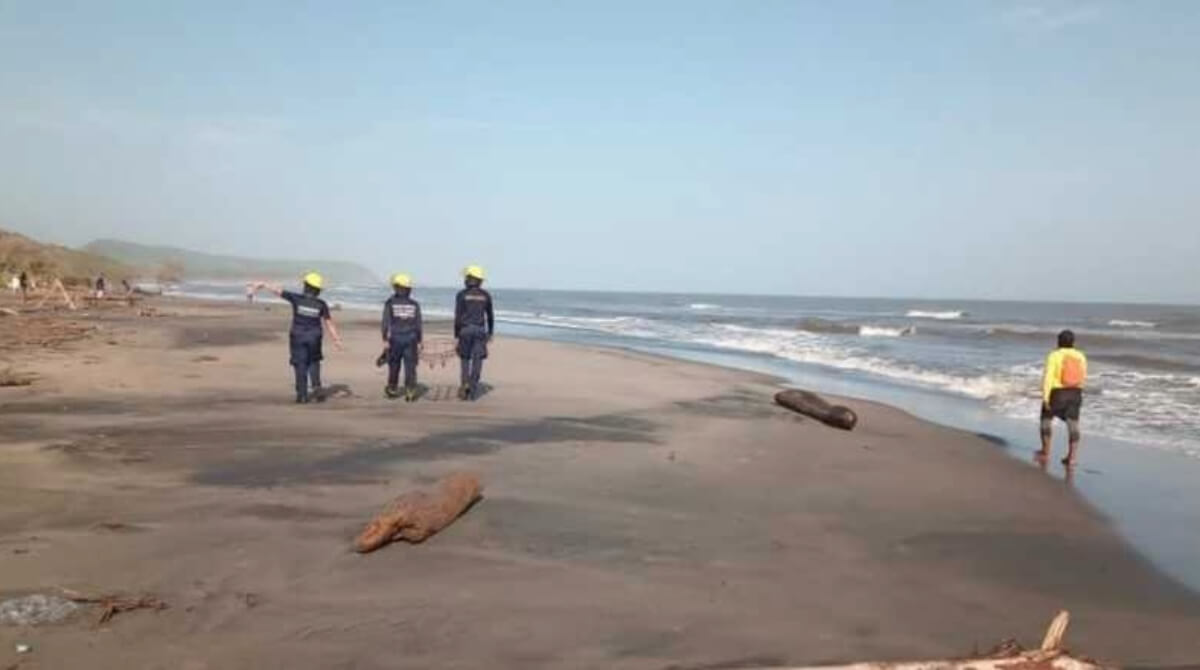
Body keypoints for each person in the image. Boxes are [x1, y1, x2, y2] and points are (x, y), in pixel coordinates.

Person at [251, 272, 344, 404]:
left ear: (305, 286)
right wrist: (336, 339)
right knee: (314, 361)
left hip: (298, 336)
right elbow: (329, 322)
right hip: (314, 337)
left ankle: (302, 395)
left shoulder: (297, 299)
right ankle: (317, 388)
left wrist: (264, 284)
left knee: (300, 364)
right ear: (318, 290)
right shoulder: (321, 304)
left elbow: (279, 291)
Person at [1037, 329, 1088, 466]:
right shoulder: (1080, 356)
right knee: (1073, 424)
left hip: (1057, 392)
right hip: (1075, 392)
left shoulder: (1054, 355)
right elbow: (1083, 376)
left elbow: (1048, 377)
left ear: (1059, 341)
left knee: (1046, 419)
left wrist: (1046, 397)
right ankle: (1072, 458)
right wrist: (1078, 391)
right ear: (1073, 342)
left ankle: (1045, 451)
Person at [454, 265, 494, 400]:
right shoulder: (485, 295)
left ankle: (465, 384)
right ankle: (473, 387)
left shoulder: (461, 295)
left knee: (465, 359)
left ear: (469, 279)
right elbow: (490, 316)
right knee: (478, 360)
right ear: (480, 280)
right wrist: (490, 332)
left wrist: (456, 335)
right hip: (480, 330)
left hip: (465, 330)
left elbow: (458, 316)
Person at [381, 273, 424, 401]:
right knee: (410, 365)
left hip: (395, 339)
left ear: (396, 287)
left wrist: (384, 339)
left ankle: (392, 388)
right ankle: (410, 391)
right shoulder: (414, 304)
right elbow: (418, 323)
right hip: (411, 338)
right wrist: (420, 340)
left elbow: (385, 322)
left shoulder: (390, 303)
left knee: (394, 364)